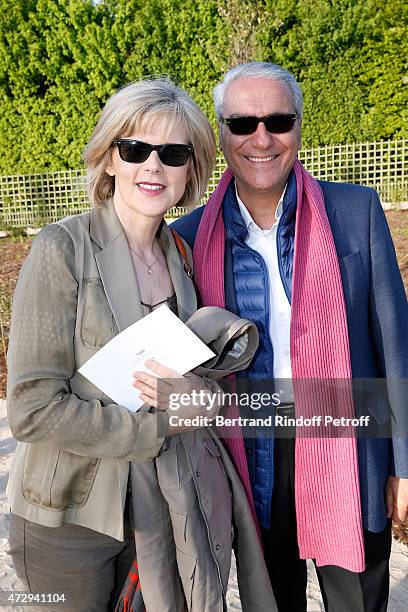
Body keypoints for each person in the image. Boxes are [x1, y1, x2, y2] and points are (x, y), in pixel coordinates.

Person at [6, 77, 275, 612]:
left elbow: (196, 390)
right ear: (110, 159)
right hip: (69, 515)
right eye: (136, 149)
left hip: (161, 511)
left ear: (189, 173)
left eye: (173, 153)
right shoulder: (63, 249)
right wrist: (153, 429)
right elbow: (32, 411)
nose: (153, 166)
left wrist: (195, 395)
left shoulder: (183, 256)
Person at [172, 61, 408, 612]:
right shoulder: (186, 240)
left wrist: (405, 464)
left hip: (350, 440)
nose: (262, 137)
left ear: (299, 127)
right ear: (222, 130)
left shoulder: (356, 213)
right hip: (252, 442)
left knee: (357, 600)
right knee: (274, 599)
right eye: (242, 123)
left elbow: (396, 345)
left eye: (278, 120)